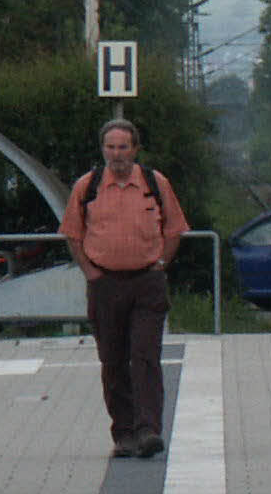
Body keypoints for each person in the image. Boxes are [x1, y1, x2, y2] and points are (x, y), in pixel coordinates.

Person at [58, 116, 191, 460]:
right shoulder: (86, 187)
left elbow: (174, 229)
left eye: (123, 148)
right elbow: (73, 234)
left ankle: (149, 430)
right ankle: (125, 433)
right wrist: (90, 272)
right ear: (103, 149)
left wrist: (161, 265)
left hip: (147, 282)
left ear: (135, 149)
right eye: (111, 147)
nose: (117, 155)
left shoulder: (154, 183)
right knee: (113, 360)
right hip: (105, 284)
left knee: (145, 355)